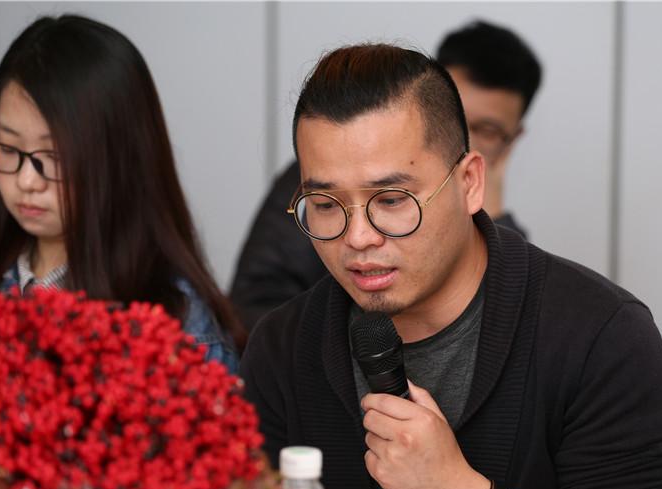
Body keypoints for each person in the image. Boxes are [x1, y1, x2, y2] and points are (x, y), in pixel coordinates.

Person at [239, 44, 662, 489]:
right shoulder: (282, 346)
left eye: (391, 199)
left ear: (470, 183)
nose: (358, 238)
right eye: (326, 205)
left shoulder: (600, 336)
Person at [229, 20, 540, 331]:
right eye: (327, 205)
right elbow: (255, 302)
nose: (462, 137)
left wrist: (490, 217)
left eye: (487, 130)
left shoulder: (555, 306)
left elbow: (516, 320)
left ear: (511, 141)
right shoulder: (320, 177)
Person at [0, 15, 244, 373]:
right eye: (8, 149)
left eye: (54, 157)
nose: (27, 181)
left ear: (120, 159)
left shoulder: (174, 326)